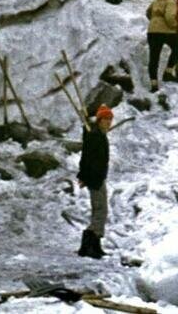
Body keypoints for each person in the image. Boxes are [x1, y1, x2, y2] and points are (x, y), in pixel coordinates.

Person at [77, 104, 113, 259]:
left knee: (100, 211)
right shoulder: (95, 135)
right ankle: (91, 245)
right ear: (99, 120)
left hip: (98, 177)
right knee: (100, 211)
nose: (109, 122)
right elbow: (87, 157)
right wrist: (84, 176)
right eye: (106, 119)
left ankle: (91, 246)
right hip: (95, 178)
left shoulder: (99, 134)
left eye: (110, 119)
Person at [146, 0, 178, 91]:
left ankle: (153, 84)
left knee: (154, 57)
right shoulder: (171, 0)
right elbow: (169, 17)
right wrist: (175, 25)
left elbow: (148, 12)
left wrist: (154, 22)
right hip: (166, 32)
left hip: (152, 32)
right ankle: (168, 72)